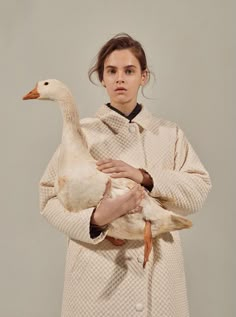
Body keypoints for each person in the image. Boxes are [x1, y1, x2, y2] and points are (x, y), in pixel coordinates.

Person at [39, 33, 212, 317]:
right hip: (98, 279)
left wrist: (144, 177)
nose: (120, 79)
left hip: (159, 277)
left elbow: (198, 191)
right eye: (112, 71)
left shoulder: (169, 134)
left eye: (129, 71)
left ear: (143, 77)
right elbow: (49, 198)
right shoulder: (80, 134)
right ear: (101, 78)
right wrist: (95, 221)